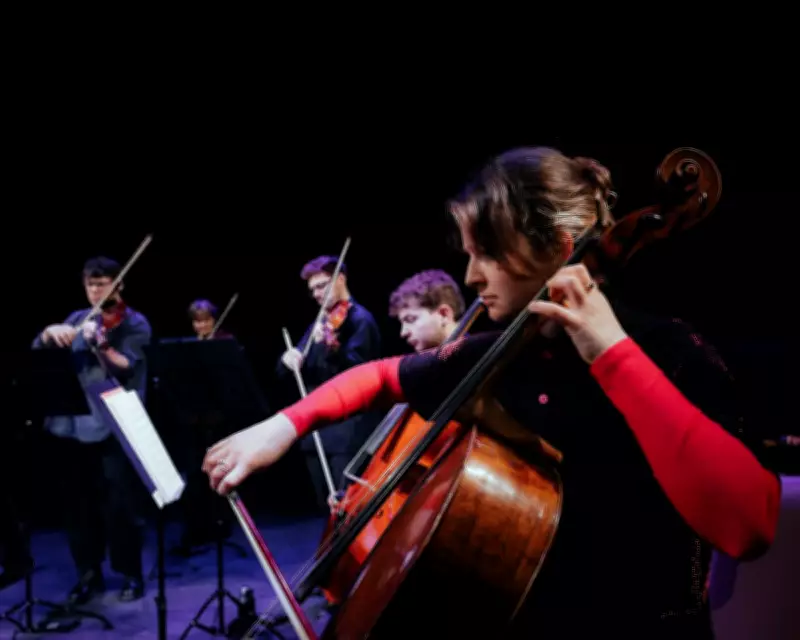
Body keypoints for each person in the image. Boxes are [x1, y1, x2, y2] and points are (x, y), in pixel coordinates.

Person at [203, 148, 780, 637]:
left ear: (557, 248)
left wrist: (611, 354)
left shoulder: (672, 351)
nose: (472, 276)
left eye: (485, 253)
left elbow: (748, 525)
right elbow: (381, 375)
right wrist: (281, 425)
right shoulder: (506, 350)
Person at [32, 256, 151, 604]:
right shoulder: (75, 318)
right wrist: (46, 333)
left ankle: (130, 573)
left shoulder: (134, 323)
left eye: (102, 283)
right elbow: (41, 354)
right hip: (73, 425)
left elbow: (130, 367)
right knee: (77, 507)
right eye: (90, 284)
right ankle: (88, 574)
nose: (95, 290)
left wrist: (102, 345)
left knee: (120, 507)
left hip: (113, 426)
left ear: (119, 284)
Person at [276, 255, 382, 511]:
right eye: (312, 289)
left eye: (322, 285)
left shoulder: (359, 320)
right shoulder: (320, 323)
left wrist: (332, 348)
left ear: (341, 279)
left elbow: (358, 373)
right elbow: (290, 370)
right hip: (317, 433)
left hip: (347, 433)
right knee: (326, 510)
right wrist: (288, 359)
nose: (316, 294)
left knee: (349, 507)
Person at [388, 269, 466, 352]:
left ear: (444, 315)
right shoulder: (437, 361)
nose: (403, 333)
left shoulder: (474, 355)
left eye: (410, 319)